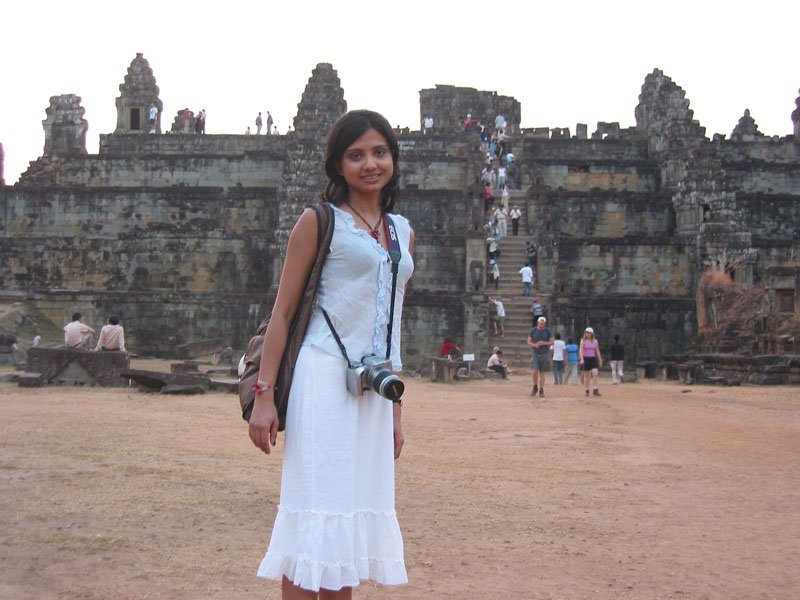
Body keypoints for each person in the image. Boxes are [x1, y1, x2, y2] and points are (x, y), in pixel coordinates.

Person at [248, 110, 412, 597]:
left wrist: (396, 409)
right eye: (355, 155)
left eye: (379, 152)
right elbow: (282, 313)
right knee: (316, 515)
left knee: (347, 529)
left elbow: (391, 321)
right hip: (322, 379)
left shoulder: (402, 231)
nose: (369, 164)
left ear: (393, 160)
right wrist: (263, 394)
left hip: (372, 388)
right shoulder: (319, 222)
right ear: (338, 166)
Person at [527, 316, 553, 398]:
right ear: (538, 323)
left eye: (543, 324)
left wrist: (544, 343)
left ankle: (541, 389)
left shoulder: (547, 331)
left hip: (544, 353)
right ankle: (535, 386)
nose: (542, 325)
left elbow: (552, 341)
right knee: (534, 371)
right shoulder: (533, 330)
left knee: (542, 372)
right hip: (535, 352)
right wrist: (535, 345)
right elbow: (528, 341)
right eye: (540, 323)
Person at [580, 327, 603, 397]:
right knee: (587, 376)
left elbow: (597, 351)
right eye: (586, 332)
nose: (587, 334)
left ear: (592, 333)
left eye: (589, 332)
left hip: (593, 358)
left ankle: (595, 389)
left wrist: (600, 360)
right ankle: (586, 389)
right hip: (586, 358)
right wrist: (582, 359)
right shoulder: (583, 341)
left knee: (595, 373)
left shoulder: (595, 341)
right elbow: (581, 351)